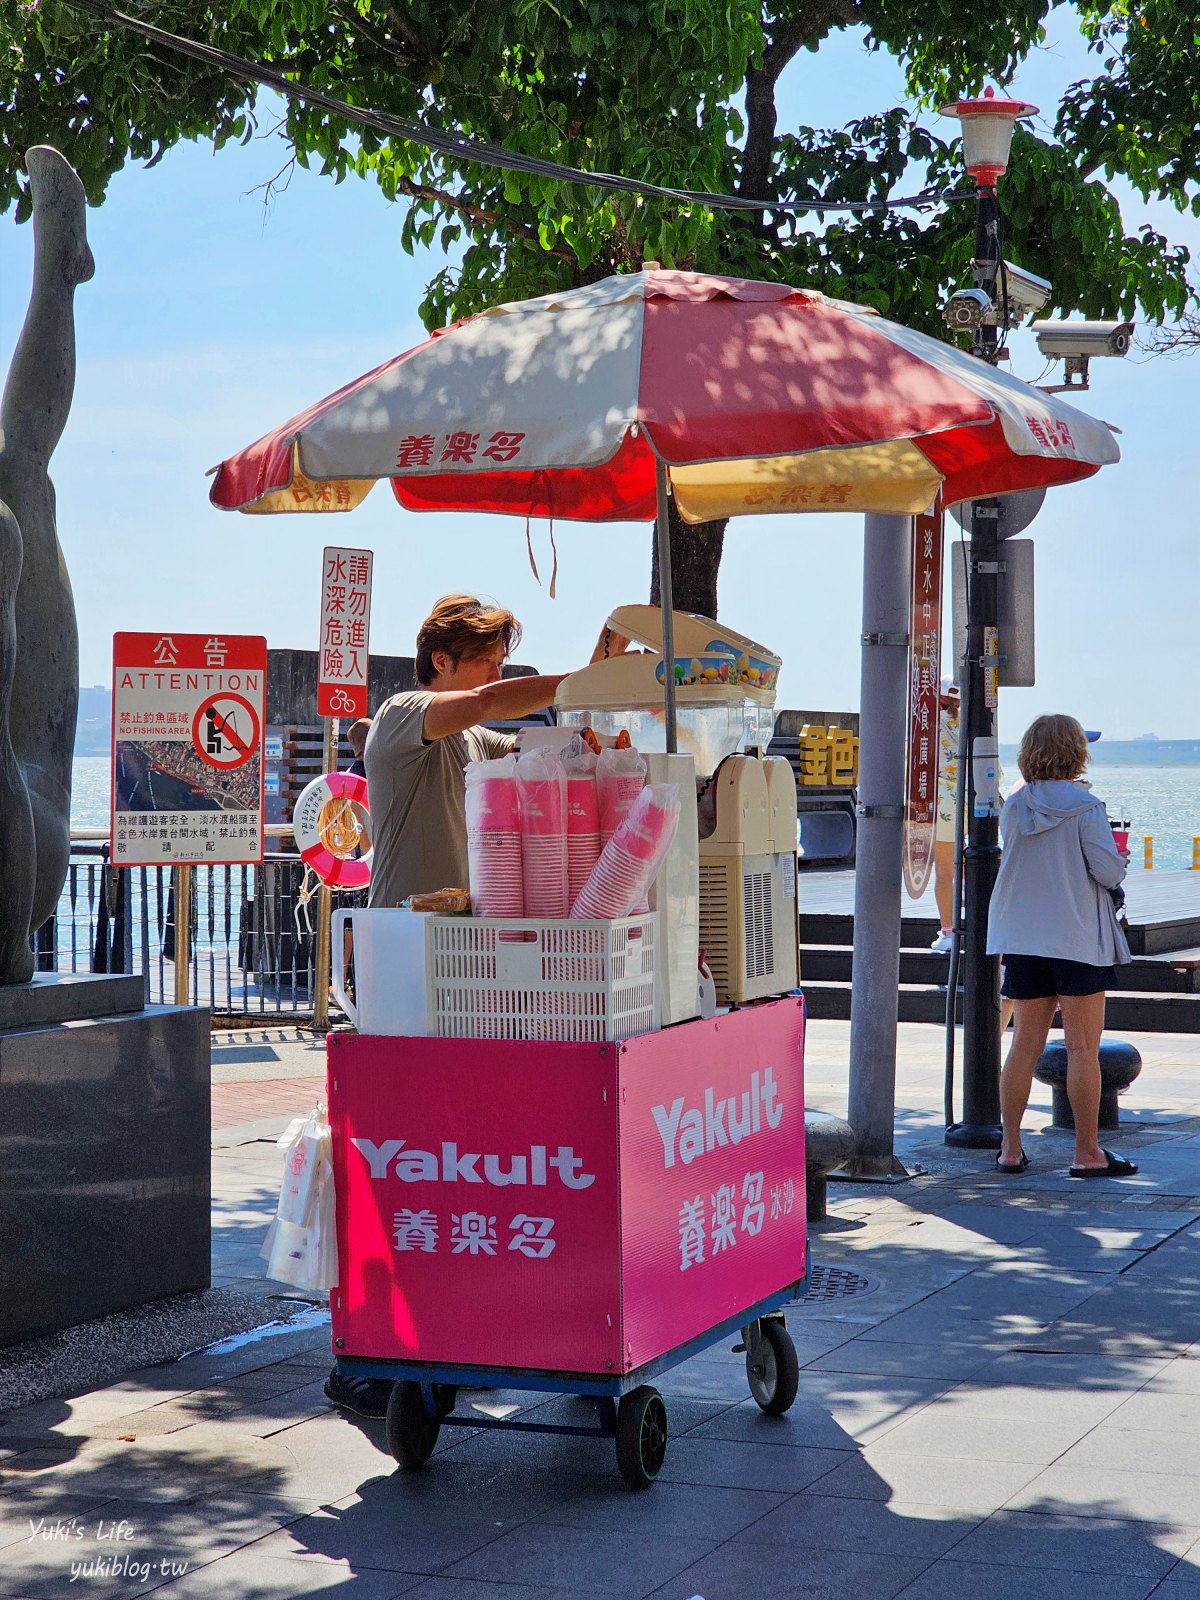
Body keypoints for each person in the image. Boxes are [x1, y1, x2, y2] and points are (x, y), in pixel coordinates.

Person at [324, 594, 569, 1418]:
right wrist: (589, 678)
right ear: (441, 661)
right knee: (394, 1158)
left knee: (450, 1160)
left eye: (504, 656)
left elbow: (531, 742)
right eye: (489, 657)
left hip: (460, 963)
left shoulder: (474, 740)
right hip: (399, 960)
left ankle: (441, 1334)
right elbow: (504, 704)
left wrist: (600, 723)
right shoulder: (402, 716)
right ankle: (361, 1355)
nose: (499, 673)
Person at [987, 713, 1136, 1179]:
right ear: (1075, 753)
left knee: (1023, 1046)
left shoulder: (1014, 805)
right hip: (1076, 939)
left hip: (1025, 939)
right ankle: (1087, 1152)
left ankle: (1010, 1148)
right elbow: (1107, 873)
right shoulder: (1087, 808)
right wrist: (1119, 856)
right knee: (1081, 1048)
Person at [929, 680, 960, 954]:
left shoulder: (927, 727)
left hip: (940, 803)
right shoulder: (975, 725)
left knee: (945, 873)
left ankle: (948, 931)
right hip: (970, 802)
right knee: (973, 870)